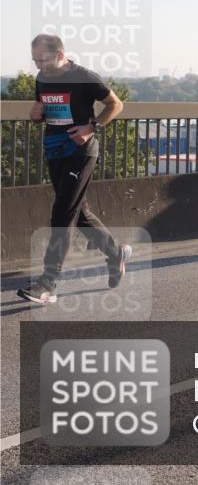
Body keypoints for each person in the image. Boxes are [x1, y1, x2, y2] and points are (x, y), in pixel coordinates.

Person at [16, 34, 132, 305]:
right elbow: (45, 110)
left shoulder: (85, 77)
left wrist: (92, 127)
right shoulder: (42, 79)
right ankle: (116, 254)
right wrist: (36, 114)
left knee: (62, 211)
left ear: (60, 54)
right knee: (78, 213)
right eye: (34, 61)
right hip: (55, 149)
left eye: (42, 60)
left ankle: (48, 283)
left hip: (81, 151)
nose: (38, 66)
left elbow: (116, 104)